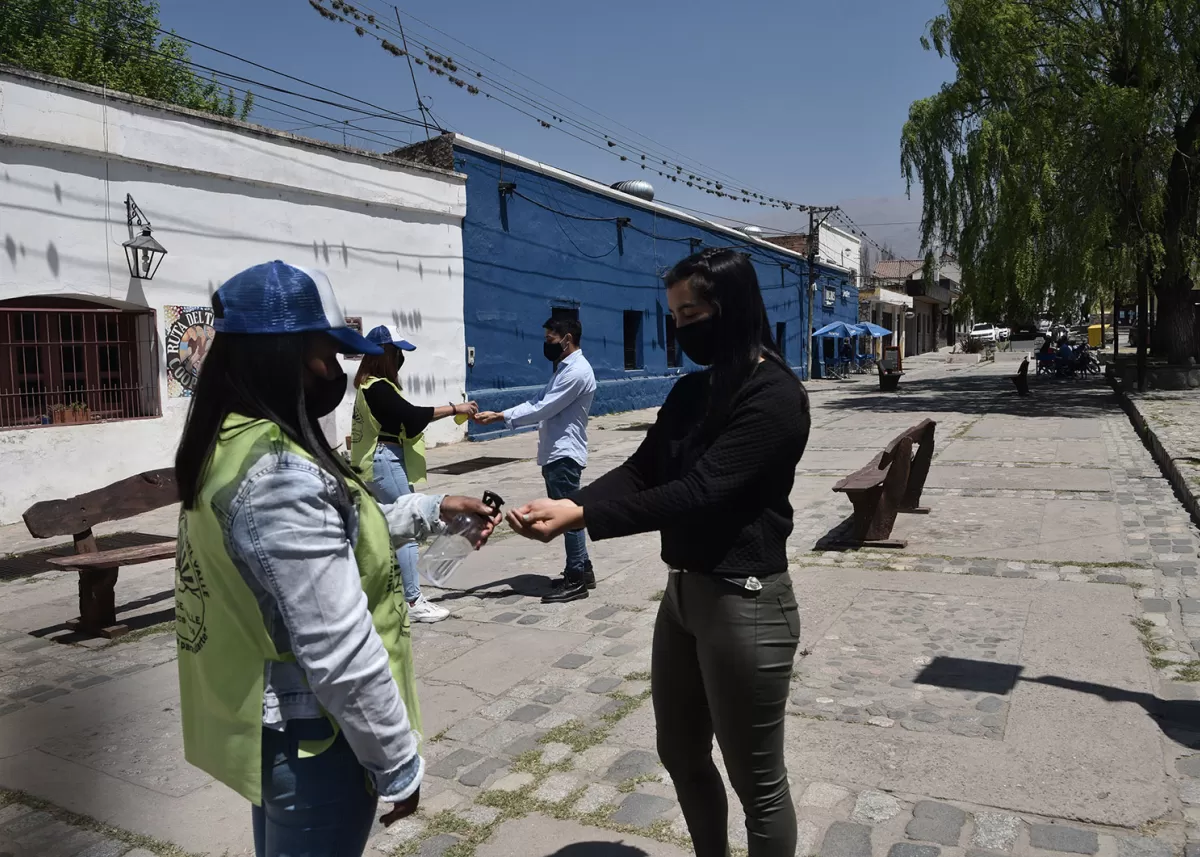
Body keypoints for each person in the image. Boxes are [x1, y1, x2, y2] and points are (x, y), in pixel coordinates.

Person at [173, 261, 499, 857]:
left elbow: (329, 535)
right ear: (282, 355)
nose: (337, 374)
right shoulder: (277, 475)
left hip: (271, 727)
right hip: (317, 741)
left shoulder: (235, 440)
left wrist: (427, 512)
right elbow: (337, 647)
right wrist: (398, 761)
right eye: (327, 357)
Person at [507, 249, 810, 857]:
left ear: (732, 307)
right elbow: (645, 470)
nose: (680, 328)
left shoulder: (773, 395)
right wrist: (572, 505)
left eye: (690, 312)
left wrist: (586, 514)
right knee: (679, 752)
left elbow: (700, 491)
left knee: (758, 784)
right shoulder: (694, 390)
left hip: (745, 603)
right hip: (684, 597)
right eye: (673, 316)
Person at [351, 325, 479, 623]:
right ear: (384, 353)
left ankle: (390, 592)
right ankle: (412, 600)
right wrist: (454, 408)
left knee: (388, 530)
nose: (400, 359)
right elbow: (410, 416)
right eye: (397, 352)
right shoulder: (377, 386)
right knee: (407, 529)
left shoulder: (370, 385)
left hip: (377, 460)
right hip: (385, 461)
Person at [475, 316, 597, 603]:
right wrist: (500, 415)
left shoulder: (576, 372)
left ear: (567, 338)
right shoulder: (564, 369)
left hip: (564, 453)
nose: (547, 345)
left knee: (568, 519)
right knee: (570, 513)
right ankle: (584, 569)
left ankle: (576, 578)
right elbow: (537, 400)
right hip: (557, 452)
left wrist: (504, 417)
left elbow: (544, 408)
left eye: (550, 339)